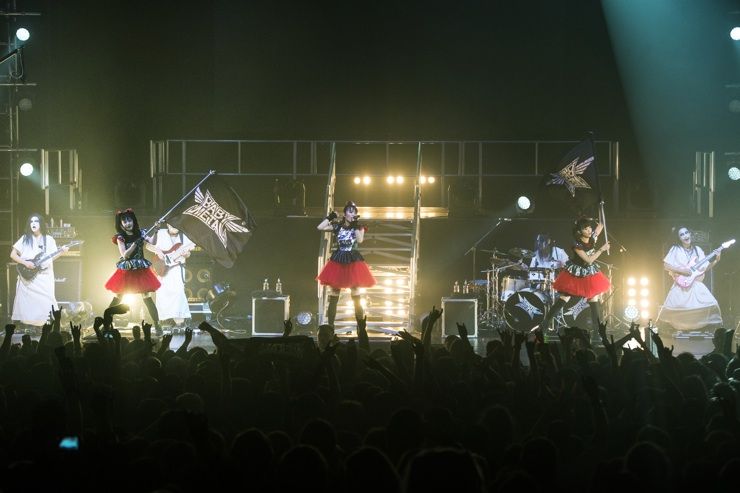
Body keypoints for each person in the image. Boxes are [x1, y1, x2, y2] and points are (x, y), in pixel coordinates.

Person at [537, 217, 610, 334]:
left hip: (589, 273)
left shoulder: (592, 239)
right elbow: (589, 260)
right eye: (586, 229)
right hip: (576, 273)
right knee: (564, 298)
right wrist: (602, 249)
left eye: (590, 227)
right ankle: (545, 324)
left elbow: (601, 225)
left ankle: (598, 331)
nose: (589, 230)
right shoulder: (576, 245)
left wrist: (600, 207)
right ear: (580, 231)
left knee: (593, 299)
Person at [316, 201, 376, 327]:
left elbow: (360, 240)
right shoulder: (337, 226)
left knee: (356, 296)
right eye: (350, 211)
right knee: (334, 296)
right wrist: (330, 217)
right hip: (339, 261)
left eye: (354, 211)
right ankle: (331, 326)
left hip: (352, 261)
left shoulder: (359, 227)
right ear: (344, 213)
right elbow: (320, 227)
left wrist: (354, 226)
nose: (352, 213)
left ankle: (361, 327)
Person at [104, 209, 162, 332]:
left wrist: (156, 230)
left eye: (129, 220)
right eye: (124, 221)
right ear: (121, 224)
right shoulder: (120, 237)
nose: (127, 223)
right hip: (127, 270)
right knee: (119, 296)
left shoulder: (141, 232)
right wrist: (136, 244)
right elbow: (125, 255)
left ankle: (157, 324)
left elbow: (153, 242)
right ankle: (106, 324)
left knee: (147, 296)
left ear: (133, 221)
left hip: (140, 269)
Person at [657, 227, 722, 331]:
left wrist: (716, 260)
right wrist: (682, 271)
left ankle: (702, 329)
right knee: (674, 310)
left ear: (690, 234)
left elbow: (704, 268)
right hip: (680, 285)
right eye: (681, 234)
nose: (685, 235)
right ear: (679, 238)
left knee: (713, 305)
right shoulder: (675, 249)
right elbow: (666, 266)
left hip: (695, 284)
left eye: (686, 233)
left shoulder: (698, 250)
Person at [10, 213, 68, 327]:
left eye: (36, 221)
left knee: (46, 302)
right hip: (28, 277)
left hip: (44, 276)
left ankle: (45, 328)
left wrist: (61, 252)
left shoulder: (49, 239)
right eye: (31, 222)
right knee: (28, 304)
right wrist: (26, 263)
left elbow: (50, 258)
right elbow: (13, 254)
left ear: (41, 223)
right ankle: (28, 328)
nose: (33, 224)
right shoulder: (25, 238)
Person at [146, 223, 195, 329]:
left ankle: (180, 322)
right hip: (161, 267)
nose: (175, 227)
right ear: (168, 224)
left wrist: (186, 254)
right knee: (162, 294)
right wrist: (157, 250)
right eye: (173, 225)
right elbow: (148, 245)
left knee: (178, 293)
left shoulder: (184, 235)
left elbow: (188, 252)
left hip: (177, 267)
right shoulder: (160, 232)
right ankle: (166, 320)